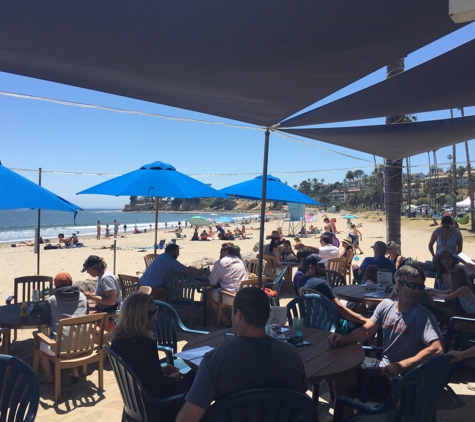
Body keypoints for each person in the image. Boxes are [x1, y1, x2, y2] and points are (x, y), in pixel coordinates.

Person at [175, 288, 308, 422]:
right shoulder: (292, 355)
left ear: (239, 315)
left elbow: (187, 419)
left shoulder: (215, 360)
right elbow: (302, 403)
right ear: (267, 315)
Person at [328, 265, 444, 405]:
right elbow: (366, 331)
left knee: (343, 382)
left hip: (403, 379)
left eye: (420, 287)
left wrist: (402, 365)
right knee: (341, 373)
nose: (417, 290)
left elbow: (438, 348)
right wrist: (344, 338)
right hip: (383, 370)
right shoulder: (386, 305)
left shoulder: (423, 316)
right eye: (412, 285)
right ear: (398, 286)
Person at [110, 293, 192, 422]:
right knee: (195, 377)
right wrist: (174, 379)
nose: (155, 317)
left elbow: (138, 370)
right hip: (155, 408)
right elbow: (160, 391)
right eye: (149, 314)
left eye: (155, 312)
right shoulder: (144, 343)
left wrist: (159, 370)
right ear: (136, 317)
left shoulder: (118, 340)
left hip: (135, 404)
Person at [39, 272, 88, 383]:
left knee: (41, 342)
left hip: (61, 348)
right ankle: (74, 370)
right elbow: (85, 314)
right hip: (83, 345)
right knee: (74, 331)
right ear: (71, 283)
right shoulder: (83, 297)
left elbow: (44, 318)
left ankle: (48, 376)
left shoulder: (52, 300)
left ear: (56, 285)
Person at [299, 255, 367, 327]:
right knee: (364, 322)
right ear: (311, 267)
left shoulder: (301, 282)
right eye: (321, 265)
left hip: (312, 322)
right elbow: (339, 308)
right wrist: (363, 319)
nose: (324, 267)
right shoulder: (322, 284)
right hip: (330, 324)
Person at [208, 242, 248, 326]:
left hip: (231, 297)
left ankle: (224, 320)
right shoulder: (239, 261)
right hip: (244, 295)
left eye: (221, 251)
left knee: (208, 294)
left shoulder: (220, 263)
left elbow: (212, 282)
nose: (220, 254)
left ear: (226, 252)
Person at [139, 243, 209, 291]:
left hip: (140, 286)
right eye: (177, 253)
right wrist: (205, 273)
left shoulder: (160, 257)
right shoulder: (169, 261)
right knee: (172, 288)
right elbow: (188, 271)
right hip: (150, 290)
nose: (178, 255)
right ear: (172, 252)